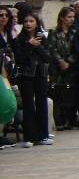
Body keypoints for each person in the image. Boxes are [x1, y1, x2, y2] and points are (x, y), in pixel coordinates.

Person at [12, 13, 51, 146]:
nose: (28, 24)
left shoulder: (43, 38)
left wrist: (37, 45)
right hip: (26, 75)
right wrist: (29, 45)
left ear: (36, 23)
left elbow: (47, 57)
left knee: (42, 104)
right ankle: (29, 137)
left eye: (31, 21)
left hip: (41, 74)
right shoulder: (18, 40)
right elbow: (20, 59)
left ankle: (43, 135)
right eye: (26, 21)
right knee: (28, 105)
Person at [47, 7, 78, 132]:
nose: (71, 19)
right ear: (62, 18)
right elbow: (51, 49)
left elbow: (77, 50)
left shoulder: (75, 32)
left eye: (73, 17)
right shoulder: (54, 32)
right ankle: (59, 121)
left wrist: (69, 61)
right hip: (56, 68)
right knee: (57, 94)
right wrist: (61, 62)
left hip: (71, 67)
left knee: (69, 94)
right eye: (69, 17)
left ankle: (69, 120)